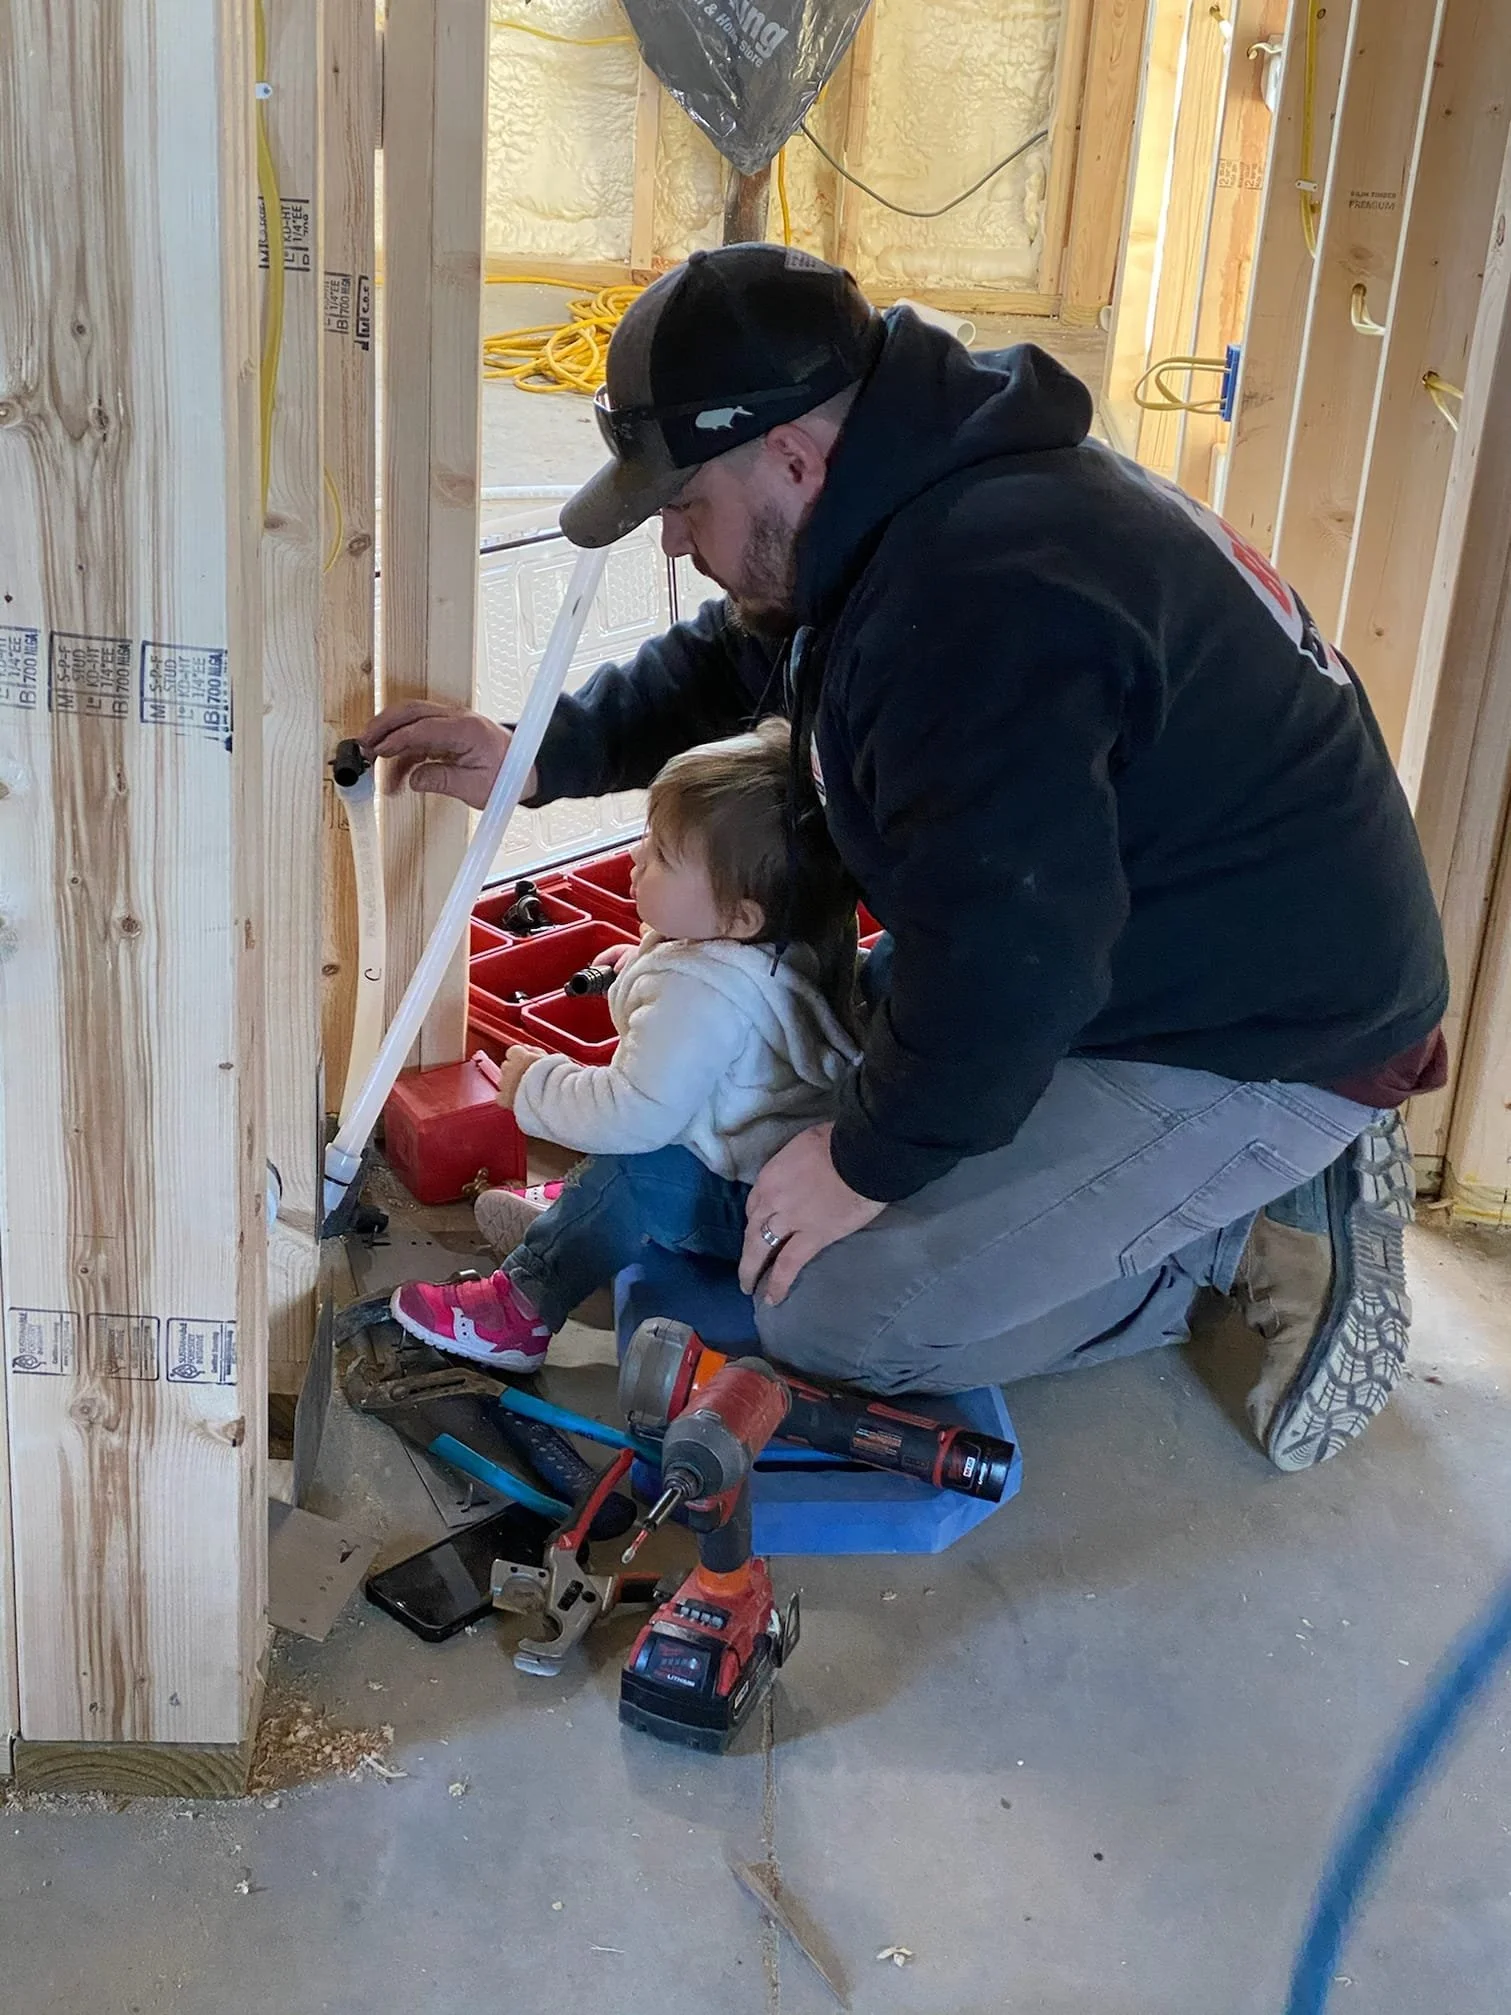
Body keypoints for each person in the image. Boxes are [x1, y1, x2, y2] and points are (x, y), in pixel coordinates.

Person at [365, 244, 1449, 1472]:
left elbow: (1015, 967)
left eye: (683, 502)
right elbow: (745, 654)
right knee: (820, 1068)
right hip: (1131, 945)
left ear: (789, 456)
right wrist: (542, 753)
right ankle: (1154, 1185)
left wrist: (861, 1163)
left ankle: (1229, 1226)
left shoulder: (982, 601)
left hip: (1265, 1033)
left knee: (833, 1310)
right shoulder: (903, 488)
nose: (670, 540)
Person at [388, 721, 860, 1371]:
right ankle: (585, 1218)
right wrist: (638, 966)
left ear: (739, 916)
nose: (637, 859)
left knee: (634, 1169)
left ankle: (523, 1304)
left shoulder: (702, 997)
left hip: (744, 1208)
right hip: (761, 1169)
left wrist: (535, 1087)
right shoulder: (771, 946)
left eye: (662, 855)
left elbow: (632, 1109)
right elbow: (700, 1027)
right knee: (627, 1160)